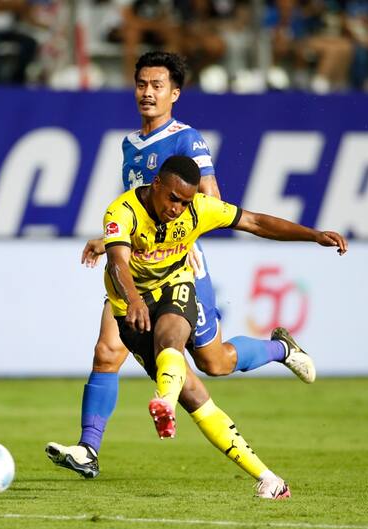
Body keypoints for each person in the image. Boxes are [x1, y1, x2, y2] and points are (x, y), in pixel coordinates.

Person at [46, 51, 317, 498]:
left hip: (181, 264)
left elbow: (209, 199)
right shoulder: (130, 144)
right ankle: (88, 450)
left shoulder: (186, 139)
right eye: (141, 84)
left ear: (174, 93)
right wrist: (107, 238)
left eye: (157, 86)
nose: (147, 92)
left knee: (215, 363)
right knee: (106, 351)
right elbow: (136, 209)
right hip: (139, 265)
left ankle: (278, 347)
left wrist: (185, 242)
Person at [81, 155, 345, 498]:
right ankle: (270, 479)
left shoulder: (198, 209)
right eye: (173, 199)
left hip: (176, 286)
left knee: (171, 340)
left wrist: (313, 235)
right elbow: (117, 263)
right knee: (199, 393)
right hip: (130, 306)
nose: (178, 208)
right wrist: (133, 300)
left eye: (185, 202)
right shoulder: (121, 211)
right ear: (156, 184)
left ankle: (164, 401)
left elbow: (255, 222)